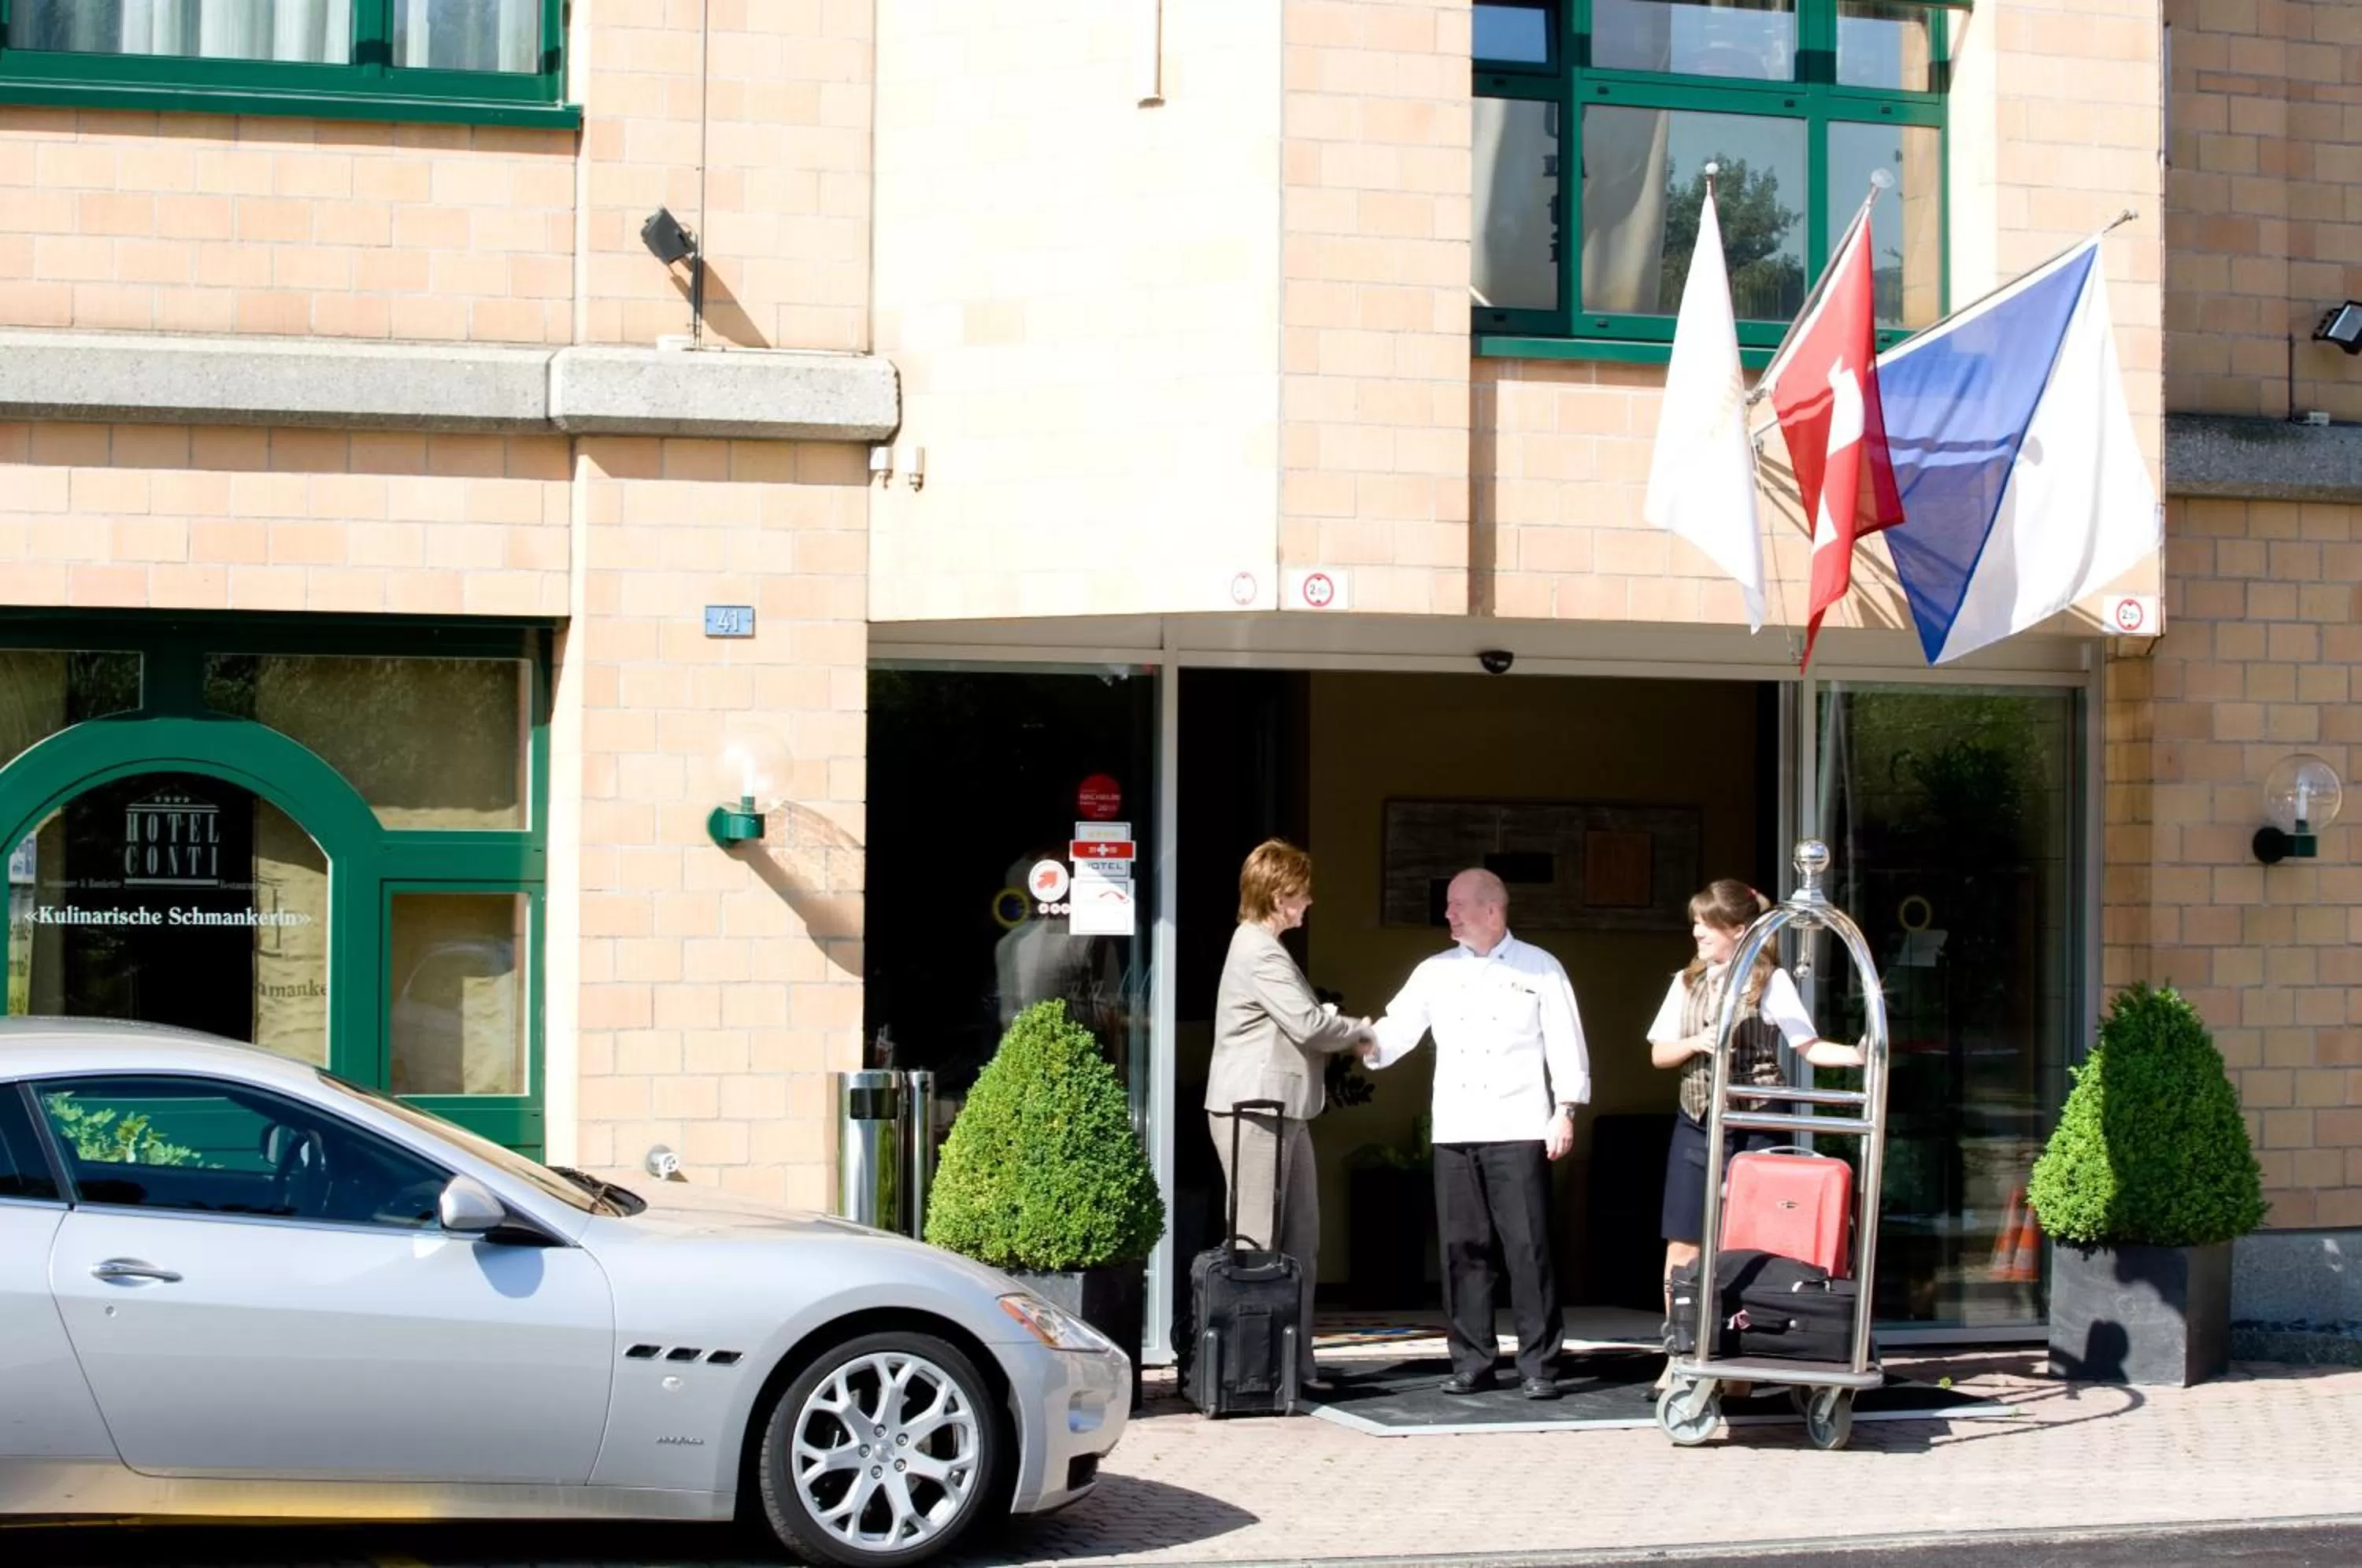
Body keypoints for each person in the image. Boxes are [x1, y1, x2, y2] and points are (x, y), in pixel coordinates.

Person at [1362, 869, 1588, 1400]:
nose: (1449, 914)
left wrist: (1567, 1109)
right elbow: (1396, 1029)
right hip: (1457, 1127)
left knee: (1527, 1247)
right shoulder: (1434, 972)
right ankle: (1472, 1360)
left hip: (1520, 1125)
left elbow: (1565, 1042)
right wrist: (1362, 1040)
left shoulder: (1541, 968)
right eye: (1448, 905)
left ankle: (1539, 1366)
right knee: (1462, 1248)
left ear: (1492, 910)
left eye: (1457, 904)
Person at [1649, 879, 1864, 1380]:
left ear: (1738, 930)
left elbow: (1807, 1046)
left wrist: (1856, 1054)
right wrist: (1696, 1042)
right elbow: (1660, 1054)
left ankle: (1743, 1348)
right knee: (1684, 1243)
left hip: (1756, 1125)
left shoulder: (1771, 981)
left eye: (1706, 923)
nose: (1697, 931)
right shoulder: (1686, 981)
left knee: (1747, 1240)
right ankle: (1679, 1351)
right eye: (1697, 922)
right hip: (1698, 1122)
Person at [1204, 839, 1372, 1396]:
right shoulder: (1260, 951)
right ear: (1279, 895)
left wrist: (1325, 1019)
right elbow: (1308, 1026)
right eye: (1301, 892)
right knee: (1258, 1245)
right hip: (1255, 1111)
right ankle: (1253, 1371)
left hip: (1281, 1109)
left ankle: (1292, 1364)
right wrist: (1360, 1030)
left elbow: (1297, 1020)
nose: (1309, 902)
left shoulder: (1263, 948)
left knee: (1300, 1240)